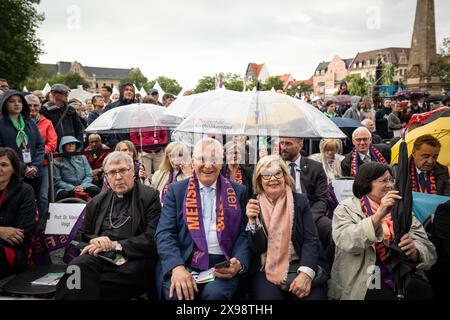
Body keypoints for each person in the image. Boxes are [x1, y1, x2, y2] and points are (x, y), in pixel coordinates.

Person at [55, 151, 161, 299]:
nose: (118, 177)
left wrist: (115, 245)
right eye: (112, 172)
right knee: (77, 266)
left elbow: (152, 238)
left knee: (94, 283)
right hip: (100, 257)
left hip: (131, 258)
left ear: (133, 171)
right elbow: (77, 237)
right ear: (106, 176)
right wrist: (93, 241)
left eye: (123, 170)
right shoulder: (97, 201)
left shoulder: (150, 197)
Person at [155, 138, 250, 300]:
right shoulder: (176, 191)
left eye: (214, 159)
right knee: (179, 296)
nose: (208, 165)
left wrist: (238, 263)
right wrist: (176, 267)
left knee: (215, 296)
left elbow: (243, 233)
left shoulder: (238, 191)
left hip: (222, 263)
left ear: (221, 163)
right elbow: (165, 233)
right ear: (193, 161)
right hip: (184, 260)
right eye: (202, 159)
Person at [329, 162, 436, 300]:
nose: (390, 185)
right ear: (366, 183)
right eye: (384, 180)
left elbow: (429, 251)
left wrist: (415, 252)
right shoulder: (347, 208)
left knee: (422, 291)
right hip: (366, 273)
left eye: (391, 180)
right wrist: (378, 216)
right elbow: (346, 241)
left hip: (401, 270)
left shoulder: (400, 208)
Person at [245, 155, 327, 300]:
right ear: (259, 179)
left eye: (277, 173)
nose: (272, 178)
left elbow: (311, 239)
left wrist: (306, 273)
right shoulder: (254, 204)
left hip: (300, 263)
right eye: (266, 174)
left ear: (284, 175)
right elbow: (258, 248)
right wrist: (252, 221)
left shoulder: (300, 201)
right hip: (266, 268)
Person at [279, 137, 330, 250]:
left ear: (300, 145)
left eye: (288, 143)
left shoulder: (315, 167)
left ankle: (325, 264)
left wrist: (309, 217)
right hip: (281, 213)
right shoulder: (275, 166)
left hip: (311, 213)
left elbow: (322, 199)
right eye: (281, 143)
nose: (283, 147)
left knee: (330, 229)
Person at [0, 91, 45, 201]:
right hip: (13, 174)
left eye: (20, 101)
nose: (16, 104)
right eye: (12, 101)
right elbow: (2, 151)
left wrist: (35, 166)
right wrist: (23, 167)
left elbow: (40, 145)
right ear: (5, 104)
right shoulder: (1, 125)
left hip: (34, 173)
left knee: (33, 203)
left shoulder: (30, 123)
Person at [0, 147, 37, 280]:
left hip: (12, 250)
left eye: (4, 165)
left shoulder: (25, 191)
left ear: (14, 169)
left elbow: (22, 232)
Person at [26, 94, 57, 220]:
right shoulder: (19, 122)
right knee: (26, 195)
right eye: (29, 106)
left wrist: (37, 153)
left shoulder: (47, 122)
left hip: (43, 164)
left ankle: (43, 224)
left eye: (36, 105)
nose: (33, 108)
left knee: (43, 196)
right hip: (23, 164)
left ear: (40, 106)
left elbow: (52, 144)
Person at [53, 136, 100, 201]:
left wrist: (82, 186)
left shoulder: (82, 157)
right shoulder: (57, 160)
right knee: (63, 195)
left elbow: (89, 174)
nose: (71, 145)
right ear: (63, 146)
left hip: (84, 184)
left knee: (95, 190)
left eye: (73, 143)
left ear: (76, 145)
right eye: (68, 144)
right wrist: (72, 188)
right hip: (66, 187)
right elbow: (57, 181)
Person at [104, 83, 136, 148]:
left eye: (131, 90)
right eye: (126, 90)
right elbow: (105, 126)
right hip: (118, 143)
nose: (129, 92)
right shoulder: (111, 107)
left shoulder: (137, 107)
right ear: (122, 92)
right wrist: (114, 142)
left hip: (135, 143)